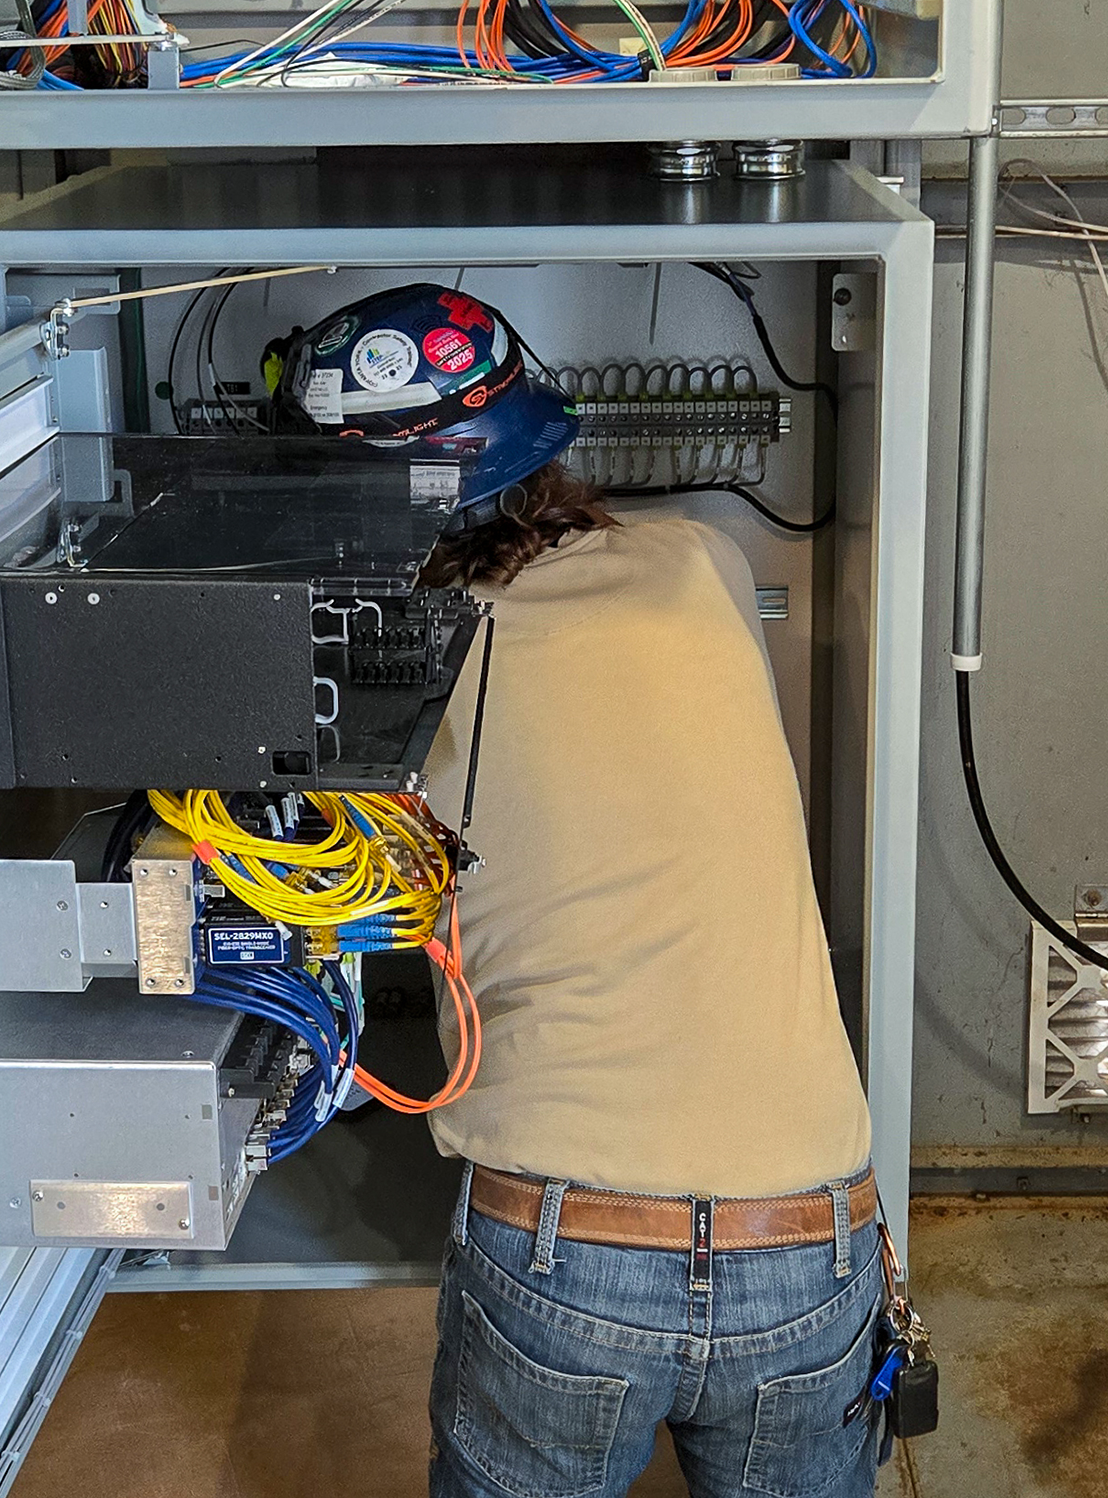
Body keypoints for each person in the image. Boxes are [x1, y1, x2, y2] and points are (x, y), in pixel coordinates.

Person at [278, 284, 881, 1498]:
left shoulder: (392, 662)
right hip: (815, 1232)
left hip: (569, 1252)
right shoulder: (702, 561)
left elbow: (331, 870)